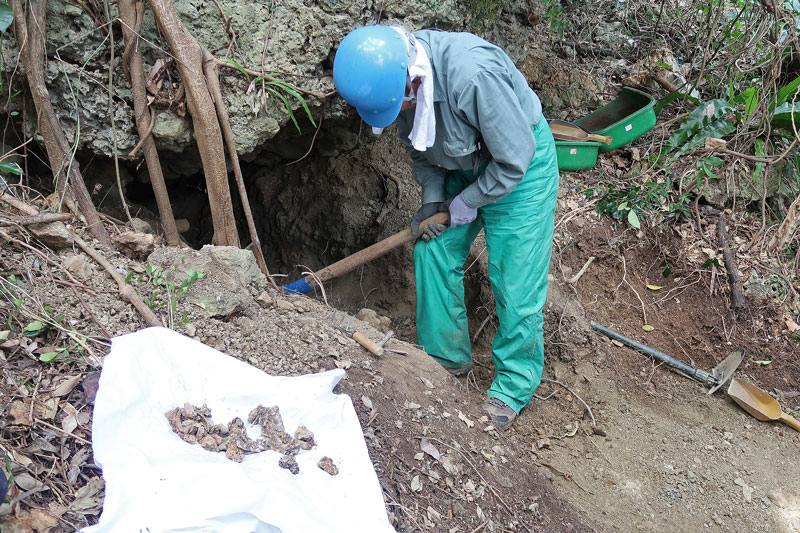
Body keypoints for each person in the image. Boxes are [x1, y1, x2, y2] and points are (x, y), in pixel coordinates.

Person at [333, 25, 560, 430]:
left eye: (401, 105)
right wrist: (434, 200)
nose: (401, 113)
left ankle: (512, 387)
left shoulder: (473, 76)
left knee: (515, 281)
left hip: (518, 170)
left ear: (414, 79)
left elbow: (514, 159)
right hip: (462, 165)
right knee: (432, 248)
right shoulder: (395, 81)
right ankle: (444, 359)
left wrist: (468, 202)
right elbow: (419, 150)